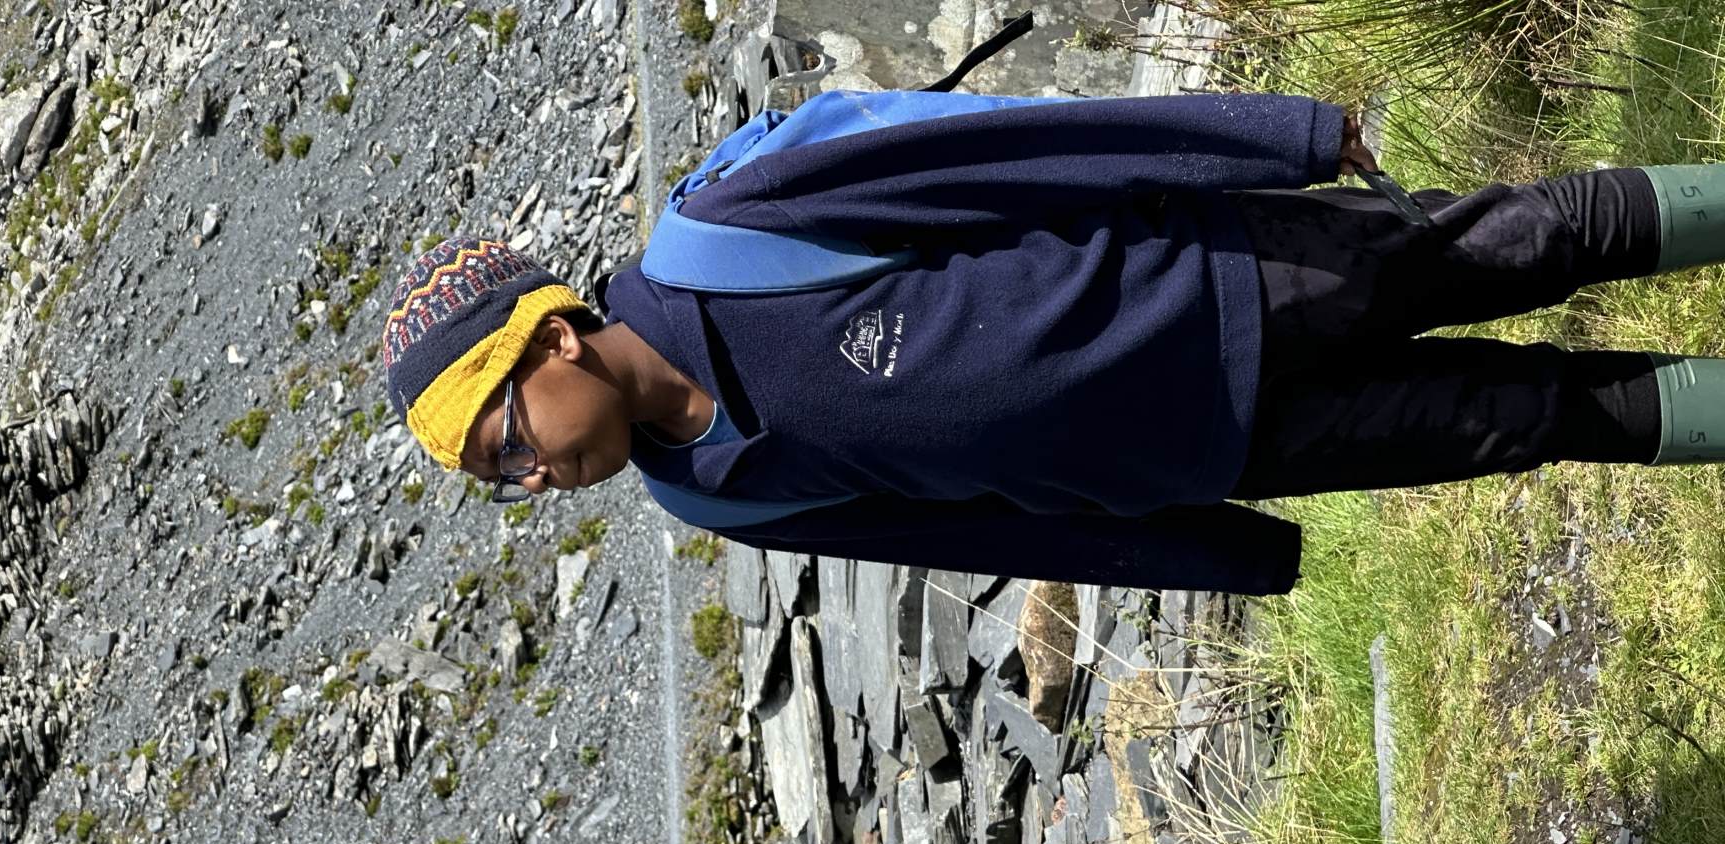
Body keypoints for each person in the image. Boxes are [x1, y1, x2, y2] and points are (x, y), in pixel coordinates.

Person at [380, 91, 1725, 595]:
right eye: (506, 482)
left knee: (1524, 242)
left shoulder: (734, 232)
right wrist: (1209, 551)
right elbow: (964, 531)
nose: (532, 477)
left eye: (508, 442)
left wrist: (1279, 138)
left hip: (1230, 276)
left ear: (551, 342)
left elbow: (1009, 155)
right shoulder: (713, 497)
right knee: (1530, 421)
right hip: (1220, 449)